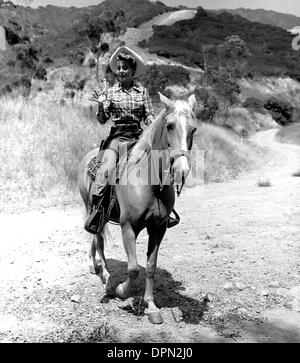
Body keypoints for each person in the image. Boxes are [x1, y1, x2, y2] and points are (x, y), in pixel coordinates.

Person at [85, 46, 179, 234]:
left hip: (138, 138)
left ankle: (164, 211)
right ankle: (97, 211)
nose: (121, 71)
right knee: (106, 170)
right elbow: (102, 120)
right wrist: (103, 106)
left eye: (125, 68)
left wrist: (155, 125)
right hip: (117, 138)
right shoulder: (110, 93)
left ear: (132, 71)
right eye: (119, 68)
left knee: (160, 166)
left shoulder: (141, 92)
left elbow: (149, 116)